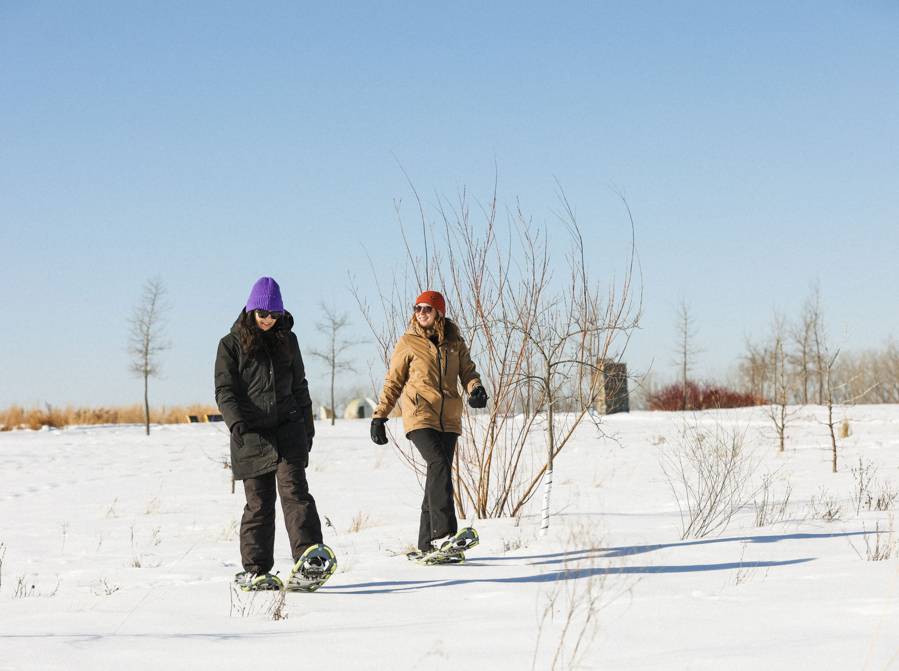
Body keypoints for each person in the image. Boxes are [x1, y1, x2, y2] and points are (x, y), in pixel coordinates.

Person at [214, 276, 328, 591]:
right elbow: (225, 391)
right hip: (251, 433)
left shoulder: (288, 341)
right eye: (262, 313)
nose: (267, 319)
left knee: (295, 491)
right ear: (251, 310)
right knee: (259, 503)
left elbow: (300, 385)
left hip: (288, 428)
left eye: (273, 314)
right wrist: (236, 423)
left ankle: (309, 557)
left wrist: (307, 426)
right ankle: (257, 569)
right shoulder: (231, 344)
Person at [370, 290, 488, 557]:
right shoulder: (408, 343)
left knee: (439, 473)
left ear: (439, 313)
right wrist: (379, 416)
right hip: (420, 415)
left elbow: (468, 371)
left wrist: (476, 389)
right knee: (438, 465)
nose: (421, 313)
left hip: (449, 419)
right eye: (417, 308)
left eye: (427, 309)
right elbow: (393, 382)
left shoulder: (455, 342)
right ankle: (444, 534)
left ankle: (426, 544)